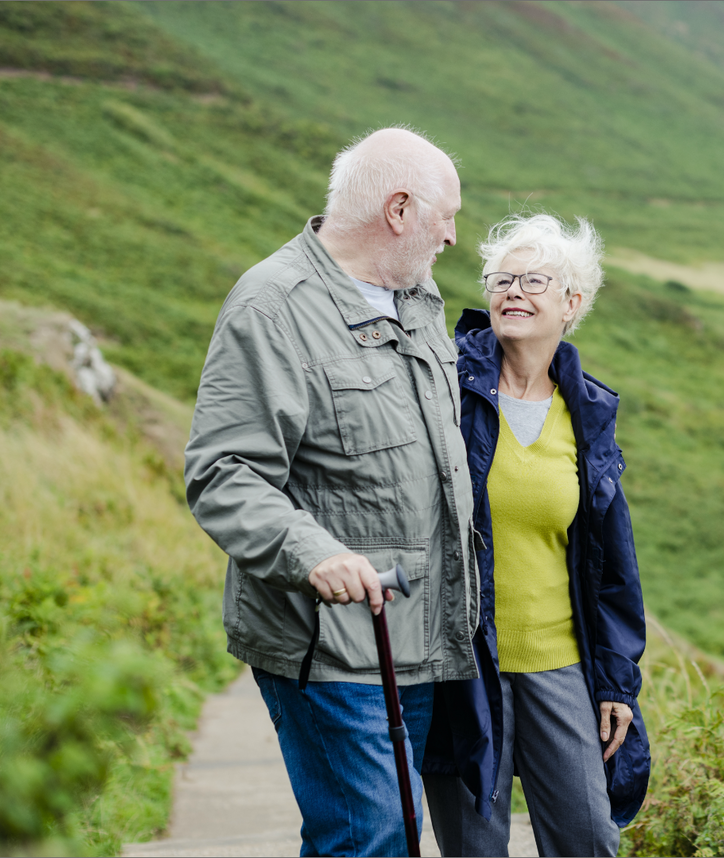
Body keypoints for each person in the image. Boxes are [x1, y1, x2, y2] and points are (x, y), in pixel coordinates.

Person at [184, 126, 477, 857]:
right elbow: (225, 472)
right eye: (446, 215)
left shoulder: (417, 296)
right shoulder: (273, 306)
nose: (451, 235)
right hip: (331, 644)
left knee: (389, 834)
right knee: (370, 837)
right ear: (400, 210)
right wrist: (312, 553)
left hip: (418, 638)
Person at [422, 214, 649, 857]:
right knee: (476, 851)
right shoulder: (446, 388)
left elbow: (612, 568)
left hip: (559, 668)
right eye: (501, 278)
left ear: (572, 303)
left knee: (588, 843)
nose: (511, 290)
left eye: (533, 280)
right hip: (463, 668)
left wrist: (613, 683)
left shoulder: (586, 414)